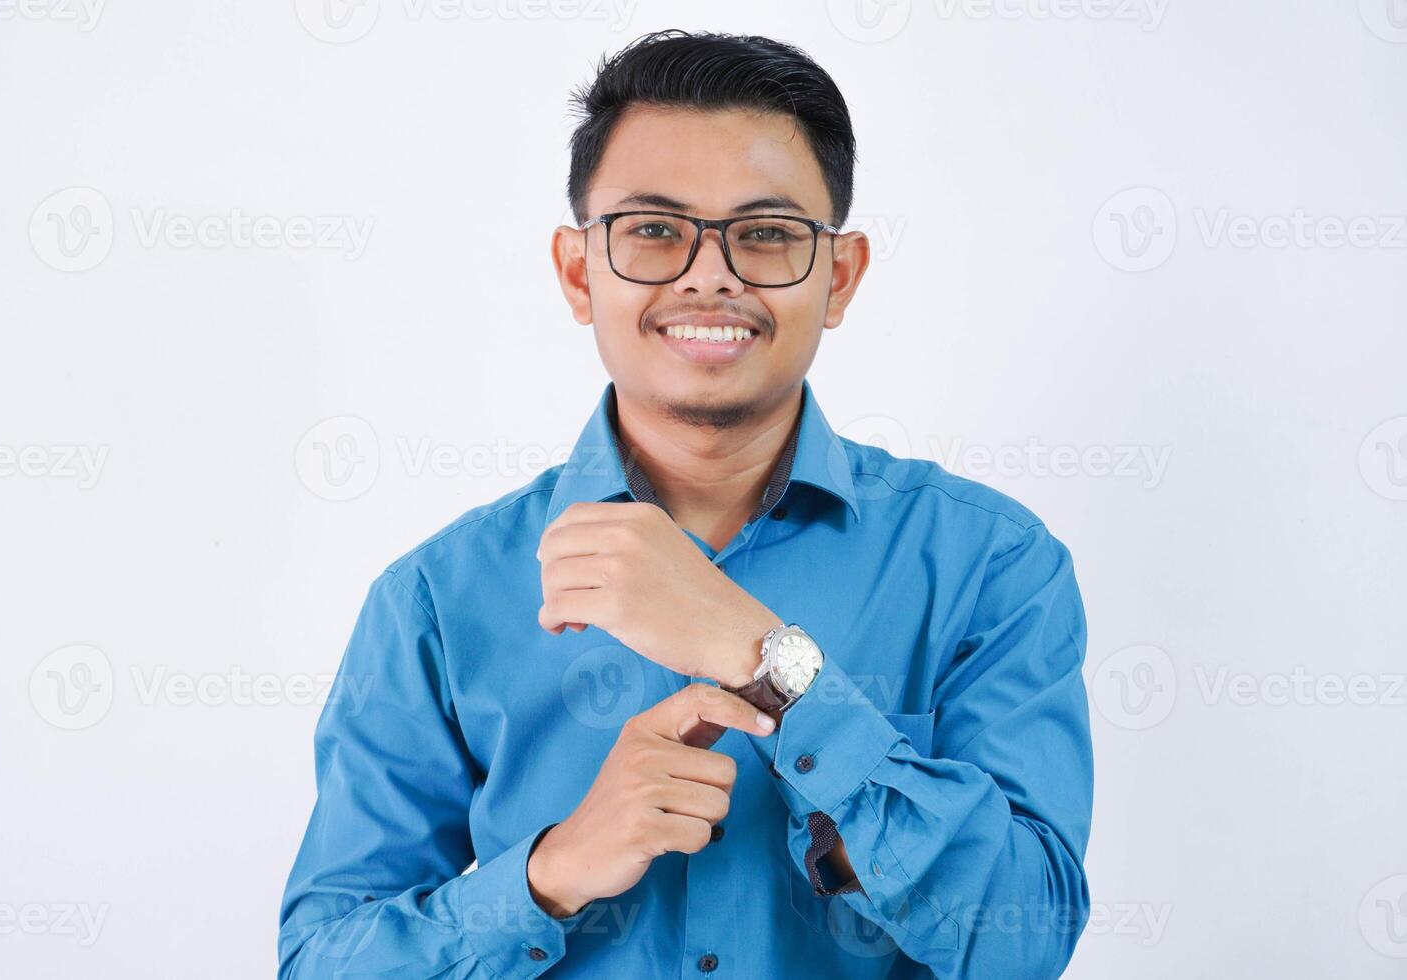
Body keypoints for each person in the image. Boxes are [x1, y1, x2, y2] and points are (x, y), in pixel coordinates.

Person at [278, 29, 1092, 980]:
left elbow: (1027, 942)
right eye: (655, 230)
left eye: (767, 233)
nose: (710, 275)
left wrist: (771, 668)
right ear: (581, 271)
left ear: (841, 276)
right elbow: (322, 961)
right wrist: (552, 872)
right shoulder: (438, 598)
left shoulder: (989, 565)